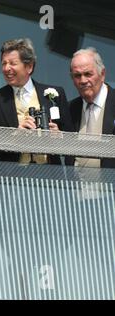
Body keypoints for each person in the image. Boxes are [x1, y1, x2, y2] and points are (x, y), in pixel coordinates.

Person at [0, 38, 75, 299]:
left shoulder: (54, 93)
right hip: (14, 188)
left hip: (51, 186)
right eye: (3, 64)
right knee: (17, 248)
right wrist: (13, 136)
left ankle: (48, 294)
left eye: (13, 63)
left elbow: (73, 142)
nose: (7, 68)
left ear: (29, 66)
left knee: (50, 248)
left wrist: (59, 137)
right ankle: (20, 293)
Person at [66, 47, 115, 299]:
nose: (83, 80)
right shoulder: (71, 109)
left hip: (112, 203)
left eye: (88, 73)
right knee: (92, 271)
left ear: (102, 73)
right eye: (76, 76)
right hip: (81, 205)